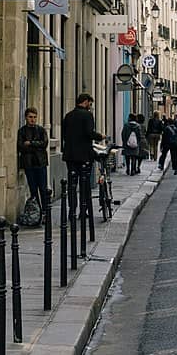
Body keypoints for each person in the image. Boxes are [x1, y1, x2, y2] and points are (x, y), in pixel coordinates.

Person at [62, 94, 104, 255]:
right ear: (85, 102)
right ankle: (84, 210)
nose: (90, 106)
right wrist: (100, 136)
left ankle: (72, 210)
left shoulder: (68, 115)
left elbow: (65, 135)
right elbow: (89, 133)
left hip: (70, 156)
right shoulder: (87, 115)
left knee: (72, 185)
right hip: (84, 156)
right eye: (90, 103)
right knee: (85, 185)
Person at [17, 107, 49, 210]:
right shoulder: (22, 131)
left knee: (43, 189)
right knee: (33, 189)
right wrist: (36, 146)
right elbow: (21, 146)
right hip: (29, 164)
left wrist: (30, 143)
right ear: (26, 117)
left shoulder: (41, 130)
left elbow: (44, 144)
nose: (33, 119)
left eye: (35, 117)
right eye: (30, 117)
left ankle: (45, 211)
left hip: (40, 163)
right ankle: (37, 211)